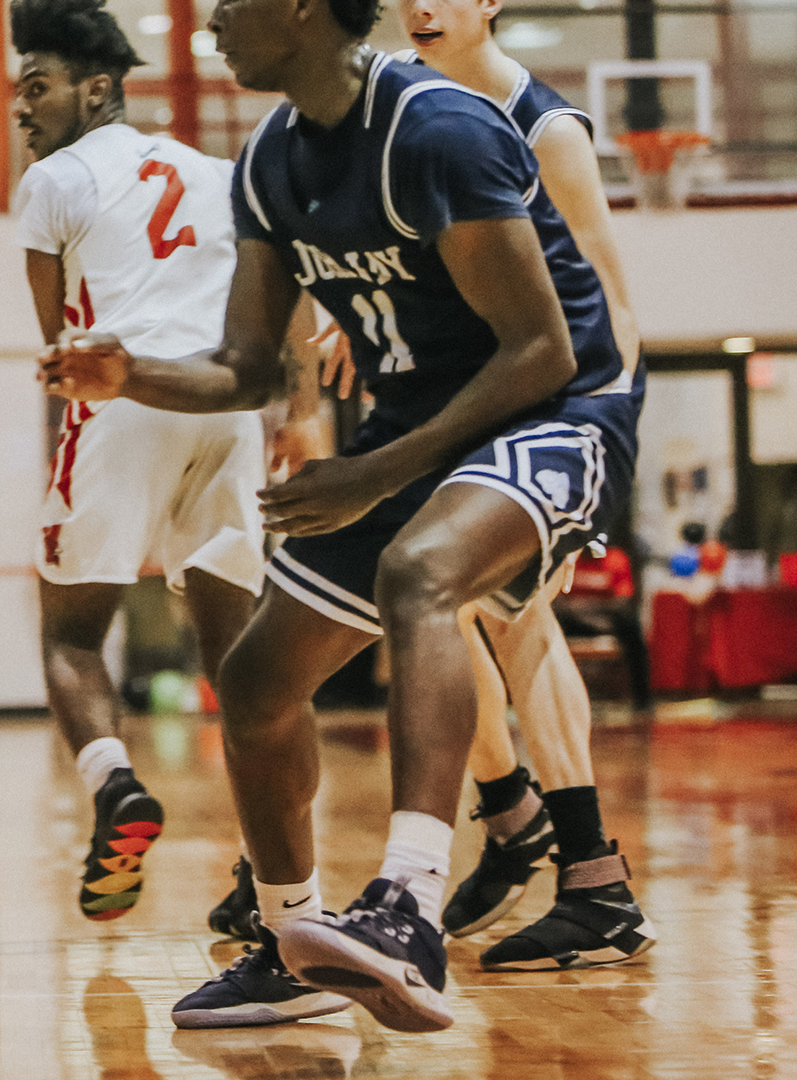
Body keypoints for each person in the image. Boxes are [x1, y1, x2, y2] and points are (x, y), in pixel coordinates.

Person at [41, 0, 645, 1033]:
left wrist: (371, 476)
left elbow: (540, 351)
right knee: (255, 678)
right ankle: (292, 943)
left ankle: (409, 904)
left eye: (233, 1)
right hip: (419, 431)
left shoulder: (439, 129)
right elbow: (248, 367)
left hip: (556, 413)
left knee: (421, 573)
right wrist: (128, 372)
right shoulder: (269, 159)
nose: (215, 19)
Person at [386, 0, 656, 971]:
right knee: (426, 600)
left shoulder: (545, 127)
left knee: (500, 611)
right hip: (477, 389)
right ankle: (523, 824)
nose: (421, 7)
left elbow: (611, 295)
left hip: (567, 400)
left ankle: (582, 871)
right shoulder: (412, 114)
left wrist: (593, 441)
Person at [7, 0, 267, 924]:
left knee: (70, 636)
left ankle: (116, 787)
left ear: (97, 90)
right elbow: (273, 298)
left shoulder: (52, 180)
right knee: (242, 665)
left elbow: (60, 343)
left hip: (123, 401)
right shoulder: (218, 172)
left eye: (37, 86)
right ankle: (270, 875)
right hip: (226, 408)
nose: (22, 107)